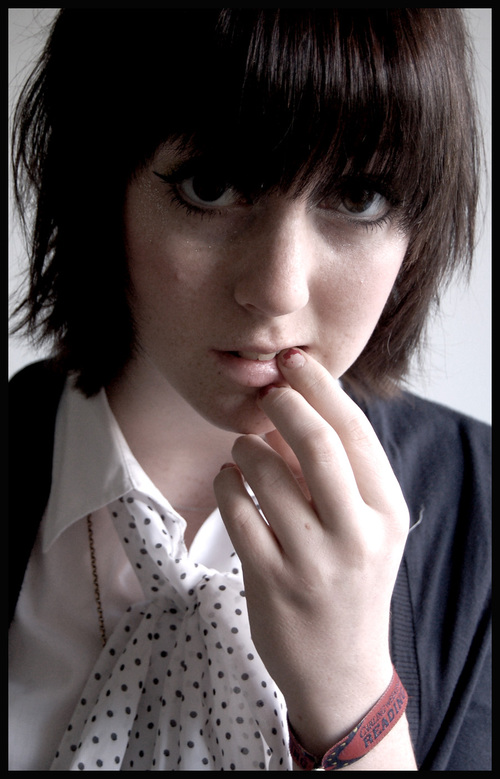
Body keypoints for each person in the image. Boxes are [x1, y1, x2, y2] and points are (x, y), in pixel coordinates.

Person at [8, 8, 491, 772]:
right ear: (99, 184)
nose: (277, 289)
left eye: (359, 196)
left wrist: (355, 702)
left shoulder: (484, 513)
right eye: (212, 185)